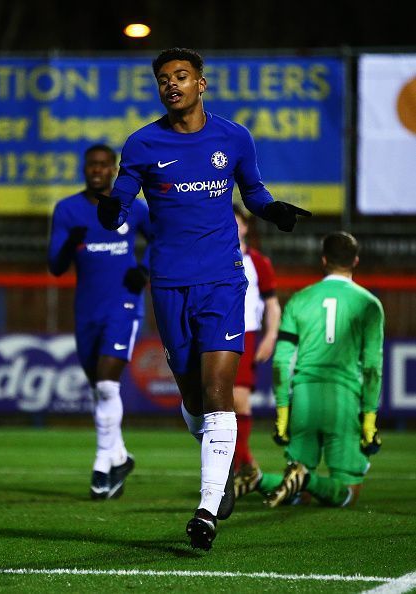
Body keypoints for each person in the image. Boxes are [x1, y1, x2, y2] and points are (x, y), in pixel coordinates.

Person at [95, 47, 311, 550]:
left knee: (219, 392)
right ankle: (223, 468)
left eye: (181, 76)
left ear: (201, 84)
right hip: (168, 282)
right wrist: (111, 212)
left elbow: (253, 193)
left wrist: (272, 209)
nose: (172, 84)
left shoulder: (233, 137)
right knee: (193, 398)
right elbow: (123, 200)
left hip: (223, 279)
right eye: (164, 79)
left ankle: (207, 508)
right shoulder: (143, 143)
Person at [237, 231, 384, 508]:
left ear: (324, 260)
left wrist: (283, 413)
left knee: (301, 493)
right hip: (344, 399)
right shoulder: (369, 304)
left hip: (304, 400)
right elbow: (373, 368)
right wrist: (369, 419)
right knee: (347, 493)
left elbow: (281, 362)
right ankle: (304, 478)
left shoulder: (300, 300)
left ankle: (256, 479)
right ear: (355, 261)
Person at [48, 143, 151, 501]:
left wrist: (144, 269)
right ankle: (119, 457)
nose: (96, 170)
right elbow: (56, 266)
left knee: (108, 385)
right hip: (87, 310)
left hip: (123, 306)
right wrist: (68, 245)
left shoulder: (132, 208)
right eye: (91, 165)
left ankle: (101, 463)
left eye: (103, 165)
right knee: (99, 388)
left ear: (113, 170)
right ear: (84, 169)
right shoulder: (67, 210)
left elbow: (161, 238)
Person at [232, 204, 281, 487]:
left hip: (245, 335)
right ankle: (243, 465)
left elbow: (272, 305)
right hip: (215, 333)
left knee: (239, 399)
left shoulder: (258, 262)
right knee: (216, 402)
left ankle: (243, 464)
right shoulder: (211, 258)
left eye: (236, 221)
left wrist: (271, 335)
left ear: (246, 226)